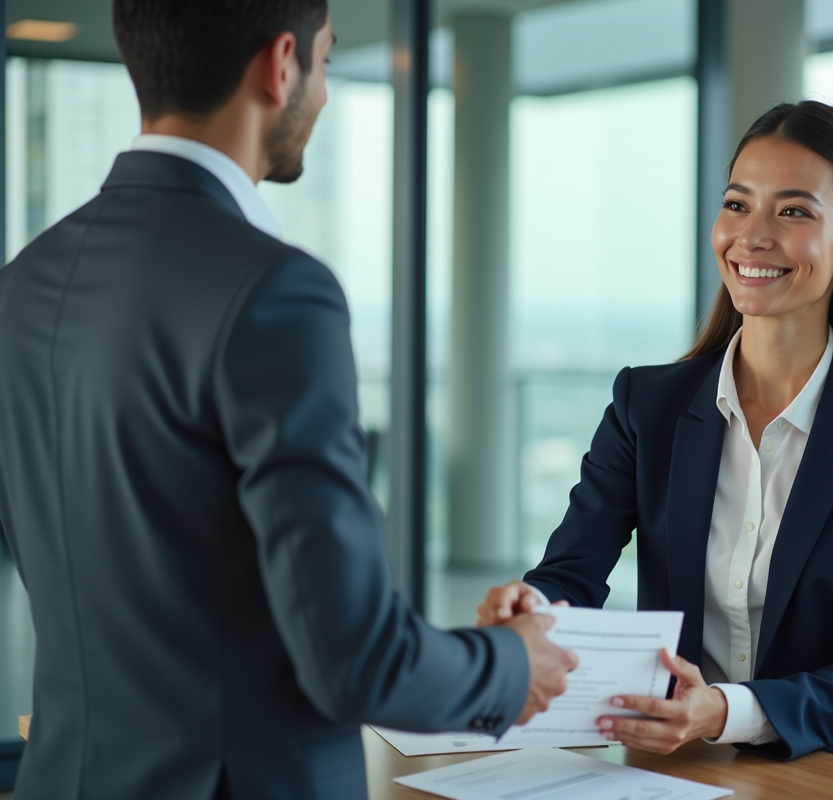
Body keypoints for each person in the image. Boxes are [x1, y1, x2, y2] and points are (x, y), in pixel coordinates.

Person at [0, 2, 576, 799]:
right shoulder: (276, 292)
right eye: (326, 61)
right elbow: (356, 661)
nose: (326, 91)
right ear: (281, 66)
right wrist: (512, 664)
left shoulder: (23, 282)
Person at [478, 100, 833, 775]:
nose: (752, 235)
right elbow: (571, 573)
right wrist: (532, 608)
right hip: (678, 764)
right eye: (737, 205)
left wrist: (725, 710)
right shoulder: (646, 405)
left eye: (793, 212)